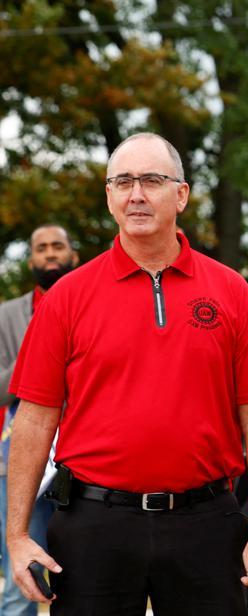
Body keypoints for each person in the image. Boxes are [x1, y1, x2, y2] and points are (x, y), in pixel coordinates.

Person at [5, 132, 248, 614]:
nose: (136, 194)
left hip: (205, 521)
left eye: (152, 180)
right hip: (93, 524)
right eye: (123, 182)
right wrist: (15, 537)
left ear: (181, 194)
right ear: (110, 196)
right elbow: (33, 420)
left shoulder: (231, 291)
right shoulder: (66, 299)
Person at [0, 225, 78, 616]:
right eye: (42, 248)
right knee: (22, 581)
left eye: (58, 247)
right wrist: (40, 346)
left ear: (73, 256)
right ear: (31, 260)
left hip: (80, 464)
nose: (50, 254)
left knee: (83, 579)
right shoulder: (7, 315)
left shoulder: (90, 306)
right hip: (20, 460)